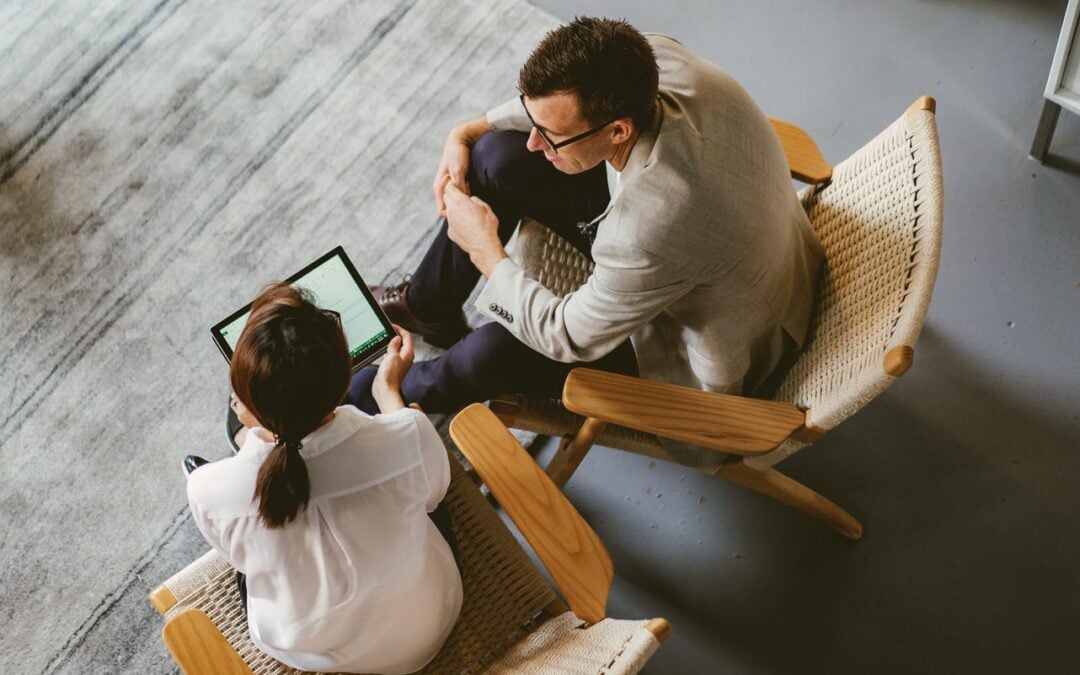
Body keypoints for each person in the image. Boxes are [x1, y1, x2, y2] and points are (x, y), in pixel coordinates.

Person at [348, 18, 823, 460]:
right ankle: (427, 305)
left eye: (550, 136)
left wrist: (484, 248)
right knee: (495, 154)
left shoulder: (646, 229)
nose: (536, 142)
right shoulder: (652, 58)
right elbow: (545, 114)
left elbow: (566, 335)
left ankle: (377, 389)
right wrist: (466, 131)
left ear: (619, 130)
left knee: (493, 349)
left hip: (728, 345)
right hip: (733, 237)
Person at [186, 283, 462, 674]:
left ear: (248, 405)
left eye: (238, 394)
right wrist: (388, 394)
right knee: (425, 496)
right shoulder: (409, 436)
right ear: (344, 384)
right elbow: (434, 497)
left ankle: (247, 440)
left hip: (321, 654)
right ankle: (262, 432)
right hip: (429, 621)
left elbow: (240, 560)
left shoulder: (208, 490)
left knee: (250, 566)